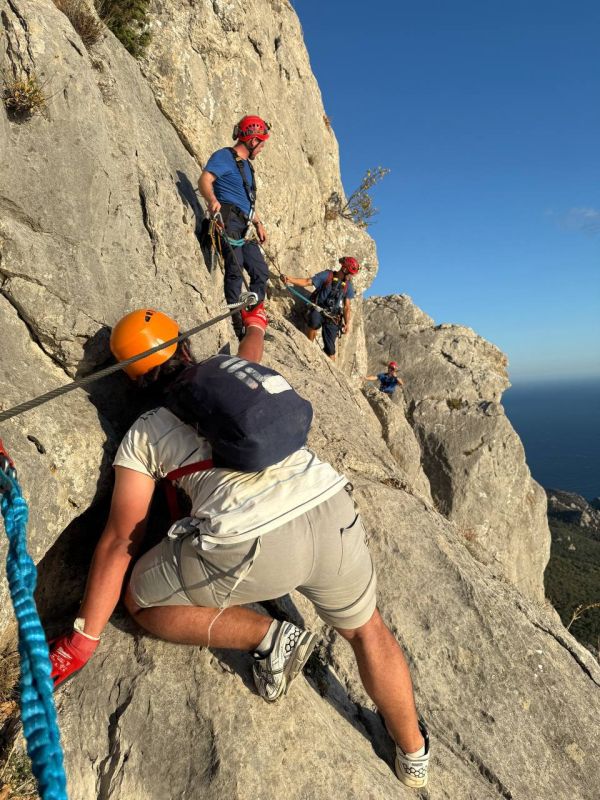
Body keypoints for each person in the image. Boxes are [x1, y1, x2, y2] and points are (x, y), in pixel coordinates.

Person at [48, 305, 430, 788]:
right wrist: (255, 324)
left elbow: (123, 538)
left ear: (131, 379)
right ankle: (413, 754)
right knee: (367, 630)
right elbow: (251, 353)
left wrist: (84, 638)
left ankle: (266, 636)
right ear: (184, 346)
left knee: (141, 601)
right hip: (331, 507)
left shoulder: (147, 431)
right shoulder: (233, 375)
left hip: (257, 541)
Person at [198, 115, 271, 339]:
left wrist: (258, 223)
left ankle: (252, 317)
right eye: (261, 143)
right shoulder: (224, 156)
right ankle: (240, 328)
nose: (262, 148)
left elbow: (245, 201)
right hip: (228, 219)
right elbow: (204, 180)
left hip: (244, 224)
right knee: (236, 270)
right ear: (252, 140)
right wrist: (212, 200)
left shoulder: (247, 167)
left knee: (260, 271)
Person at [282, 257, 359, 361]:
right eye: (350, 274)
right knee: (314, 322)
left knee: (330, 349)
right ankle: (308, 349)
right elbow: (307, 282)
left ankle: (331, 367)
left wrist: (347, 323)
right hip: (318, 308)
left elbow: (347, 306)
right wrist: (289, 279)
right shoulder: (327, 275)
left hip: (332, 316)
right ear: (345, 269)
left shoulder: (348, 286)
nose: (351, 276)